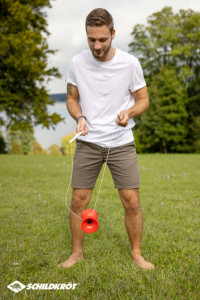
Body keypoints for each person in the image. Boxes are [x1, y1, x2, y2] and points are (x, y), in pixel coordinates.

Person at [58, 8, 155, 270]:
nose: (97, 46)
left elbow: (143, 100)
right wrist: (79, 118)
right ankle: (76, 253)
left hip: (121, 140)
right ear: (86, 36)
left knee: (131, 201)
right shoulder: (77, 63)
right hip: (88, 141)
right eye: (92, 40)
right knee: (79, 200)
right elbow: (71, 98)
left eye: (102, 39)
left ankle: (136, 254)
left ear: (113, 33)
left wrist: (129, 112)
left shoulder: (130, 63)